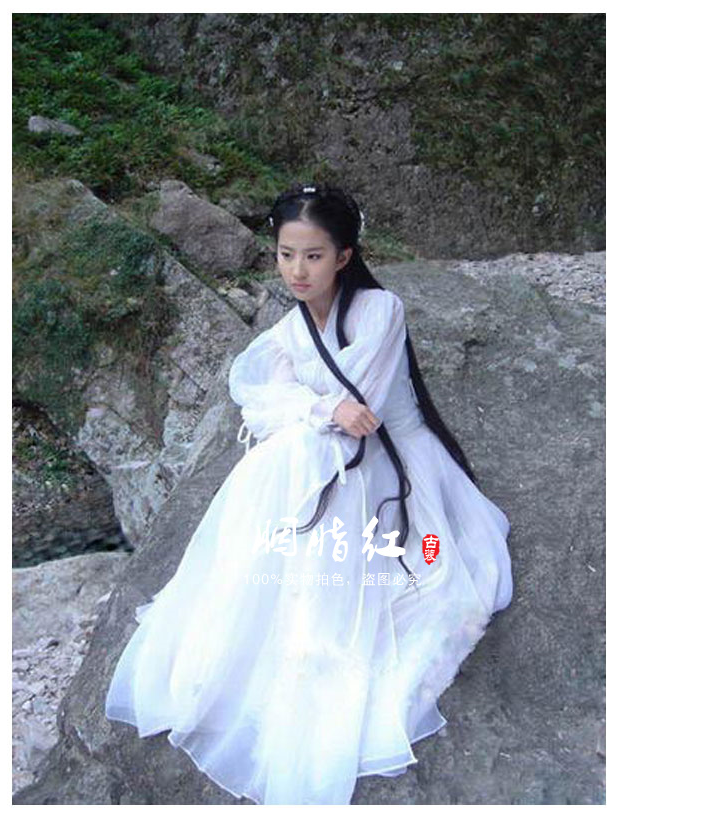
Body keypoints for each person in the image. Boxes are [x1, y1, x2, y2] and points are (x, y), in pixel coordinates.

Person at [104, 182, 514, 805]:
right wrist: (318, 408)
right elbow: (255, 393)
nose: (298, 270)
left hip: (394, 464)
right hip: (332, 455)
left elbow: (362, 409)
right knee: (293, 455)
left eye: (314, 256)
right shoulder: (289, 330)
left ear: (344, 256)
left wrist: (312, 410)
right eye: (286, 254)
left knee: (317, 472)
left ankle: (314, 636)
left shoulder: (380, 310)